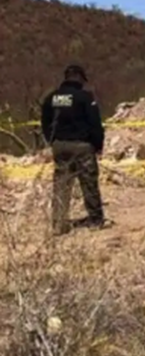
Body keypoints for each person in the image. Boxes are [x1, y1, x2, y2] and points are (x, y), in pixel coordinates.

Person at [40, 64, 106, 234]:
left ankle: (59, 223)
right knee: (88, 182)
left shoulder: (51, 98)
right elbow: (95, 124)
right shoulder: (85, 97)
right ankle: (95, 219)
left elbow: (45, 123)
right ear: (80, 79)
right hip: (82, 145)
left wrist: (52, 141)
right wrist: (98, 145)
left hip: (60, 145)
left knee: (61, 184)